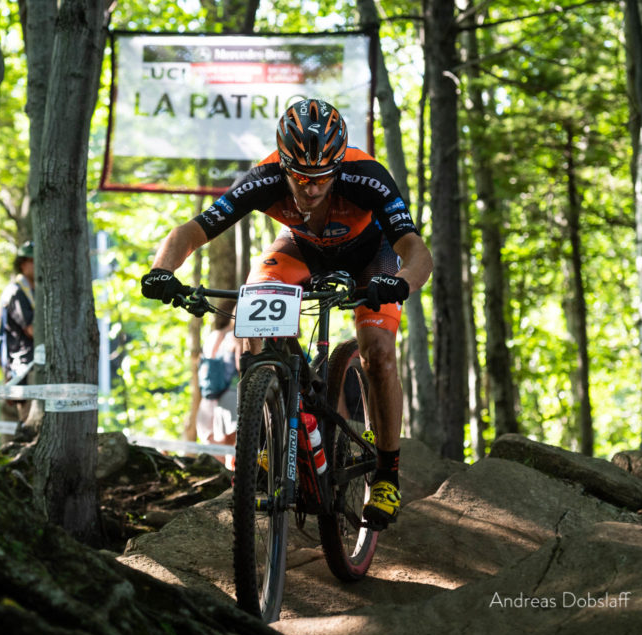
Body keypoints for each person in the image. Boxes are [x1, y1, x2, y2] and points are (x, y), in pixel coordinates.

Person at [141, 98, 433, 526]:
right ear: (283, 165)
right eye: (300, 177)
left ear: (338, 166)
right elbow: (193, 230)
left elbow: (415, 249)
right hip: (302, 248)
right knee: (252, 314)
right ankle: (271, 427)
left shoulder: (367, 177)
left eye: (322, 177)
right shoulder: (264, 178)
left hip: (372, 257)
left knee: (378, 352)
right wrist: (161, 270)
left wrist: (402, 281)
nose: (311, 188)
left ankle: (387, 475)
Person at [196, 301, 240, 470]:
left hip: (208, 400)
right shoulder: (237, 337)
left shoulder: (213, 336)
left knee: (219, 450)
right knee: (231, 451)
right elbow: (241, 367)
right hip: (229, 399)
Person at [0, 241, 36, 424]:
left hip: (31, 365)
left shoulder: (32, 291)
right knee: (29, 421)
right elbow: (32, 330)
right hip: (23, 367)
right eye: (33, 261)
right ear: (23, 264)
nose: (37, 266)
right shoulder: (17, 293)